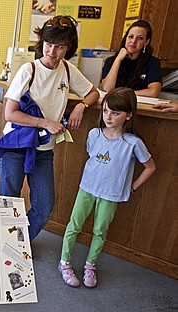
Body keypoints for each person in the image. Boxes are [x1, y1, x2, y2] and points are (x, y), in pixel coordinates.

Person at [0, 15, 99, 241]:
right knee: (9, 203)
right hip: (16, 145)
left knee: (44, 207)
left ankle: (19, 243)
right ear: (42, 43)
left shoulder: (68, 70)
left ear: (68, 48)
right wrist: (44, 122)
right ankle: (5, 246)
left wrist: (82, 105)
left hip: (43, 150)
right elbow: (10, 113)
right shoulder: (28, 70)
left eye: (59, 47)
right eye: (48, 45)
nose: (52, 52)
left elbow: (94, 93)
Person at [59, 87, 156, 288]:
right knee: (73, 226)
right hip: (86, 188)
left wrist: (133, 187)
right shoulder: (94, 134)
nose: (108, 117)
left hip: (111, 195)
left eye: (115, 112)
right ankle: (64, 262)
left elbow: (150, 166)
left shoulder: (133, 143)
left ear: (129, 115)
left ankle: (90, 265)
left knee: (100, 231)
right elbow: (91, 155)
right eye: (105, 111)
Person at [100, 20, 162, 98]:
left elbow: (154, 92)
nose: (133, 41)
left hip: (139, 106)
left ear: (146, 42)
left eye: (140, 38)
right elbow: (107, 88)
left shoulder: (153, 63)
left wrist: (124, 93)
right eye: (131, 36)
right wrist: (118, 59)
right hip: (115, 105)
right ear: (126, 38)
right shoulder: (111, 61)